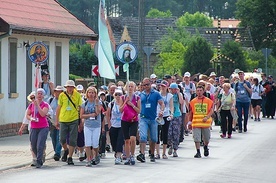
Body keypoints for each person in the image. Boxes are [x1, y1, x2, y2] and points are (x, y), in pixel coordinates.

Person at [137, 78, 165, 163]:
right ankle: (142, 154)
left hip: (153, 118)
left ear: (151, 84)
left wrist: (161, 110)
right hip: (143, 118)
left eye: (147, 84)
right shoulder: (140, 95)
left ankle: (152, 153)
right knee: (143, 136)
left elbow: (162, 103)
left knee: (153, 138)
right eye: (144, 85)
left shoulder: (156, 94)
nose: (146, 86)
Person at [55, 80, 83, 165]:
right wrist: (57, 120)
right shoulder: (62, 95)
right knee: (62, 139)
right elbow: (58, 108)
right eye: (68, 87)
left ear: (73, 87)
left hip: (74, 119)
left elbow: (81, 107)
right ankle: (66, 150)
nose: (70, 88)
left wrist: (80, 120)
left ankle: (70, 157)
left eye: (71, 87)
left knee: (72, 139)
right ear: (66, 87)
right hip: (63, 119)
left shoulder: (77, 95)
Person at [26, 88, 50, 168]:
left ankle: (39, 161)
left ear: (43, 96)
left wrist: (38, 106)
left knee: (40, 144)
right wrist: (31, 118)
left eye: (41, 94)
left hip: (43, 127)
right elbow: (28, 115)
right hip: (34, 127)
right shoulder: (31, 105)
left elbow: (43, 114)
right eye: (38, 94)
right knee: (33, 145)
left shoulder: (45, 105)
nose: (39, 95)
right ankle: (38, 157)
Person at [188, 85, 214, 158]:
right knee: (197, 138)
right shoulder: (193, 102)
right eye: (198, 91)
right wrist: (189, 122)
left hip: (205, 123)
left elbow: (211, 110)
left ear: (203, 91)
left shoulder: (208, 101)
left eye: (200, 90)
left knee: (206, 138)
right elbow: (191, 112)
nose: (199, 92)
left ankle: (205, 146)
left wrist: (207, 117)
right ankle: (198, 151)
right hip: (196, 123)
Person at [119, 81, 141, 165]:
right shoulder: (123, 97)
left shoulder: (137, 98)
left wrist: (132, 105)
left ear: (135, 88)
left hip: (134, 120)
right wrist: (125, 102)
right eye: (129, 86)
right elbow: (120, 110)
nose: (130, 88)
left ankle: (132, 155)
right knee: (127, 140)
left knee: (133, 138)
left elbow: (139, 111)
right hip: (125, 120)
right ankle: (127, 157)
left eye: (132, 86)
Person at [80, 87, 101, 167]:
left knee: (95, 143)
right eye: (89, 92)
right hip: (88, 125)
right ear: (87, 94)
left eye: (93, 92)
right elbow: (81, 115)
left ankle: (96, 154)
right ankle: (89, 159)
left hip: (96, 125)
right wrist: (89, 115)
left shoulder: (99, 103)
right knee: (88, 143)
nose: (91, 94)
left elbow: (97, 112)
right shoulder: (84, 104)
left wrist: (96, 103)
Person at [155, 80, 173, 159]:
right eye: (161, 86)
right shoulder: (157, 94)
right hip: (158, 115)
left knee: (165, 133)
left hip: (166, 115)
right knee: (156, 133)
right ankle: (157, 152)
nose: (162, 88)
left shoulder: (169, 96)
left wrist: (171, 114)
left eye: (164, 86)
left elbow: (171, 106)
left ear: (167, 87)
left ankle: (164, 153)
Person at [106, 88, 124, 165]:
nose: (117, 96)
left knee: (120, 140)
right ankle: (116, 152)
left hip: (122, 125)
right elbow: (108, 114)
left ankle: (119, 156)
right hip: (113, 125)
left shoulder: (124, 103)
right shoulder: (111, 104)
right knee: (114, 141)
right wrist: (109, 124)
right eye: (116, 94)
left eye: (119, 94)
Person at [167, 83, 183, 157]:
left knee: (176, 133)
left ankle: (175, 150)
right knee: (169, 132)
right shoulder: (168, 95)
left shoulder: (178, 95)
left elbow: (181, 102)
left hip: (177, 115)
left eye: (175, 89)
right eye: (171, 89)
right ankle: (170, 145)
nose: (173, 90)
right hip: (169, 115)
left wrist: (179, 93)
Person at [48, 86, 64, 161]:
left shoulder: (64, 100)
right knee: (53, 137)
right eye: (57, 92)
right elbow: (47, 109)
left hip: (61, 122)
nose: (58, 93)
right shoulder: (50, 100)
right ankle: (56, 151)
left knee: (59, 138)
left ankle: (57, 153)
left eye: (60, 92)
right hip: (52, 122)